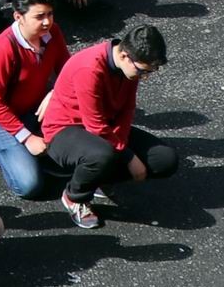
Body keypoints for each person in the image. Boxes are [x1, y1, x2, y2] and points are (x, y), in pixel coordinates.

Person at [39, 21, 177, 229]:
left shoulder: (129, 66)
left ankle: (97, 179)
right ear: (124, 55)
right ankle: (75, 196)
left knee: (165, 159)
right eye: (142, 72)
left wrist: (122, 143)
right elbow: (94, 125)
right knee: (102, 155)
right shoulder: (90, 68)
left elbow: (127, 109)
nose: (144, 77)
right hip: (66, 130)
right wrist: (129, 156)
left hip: (106, 129)